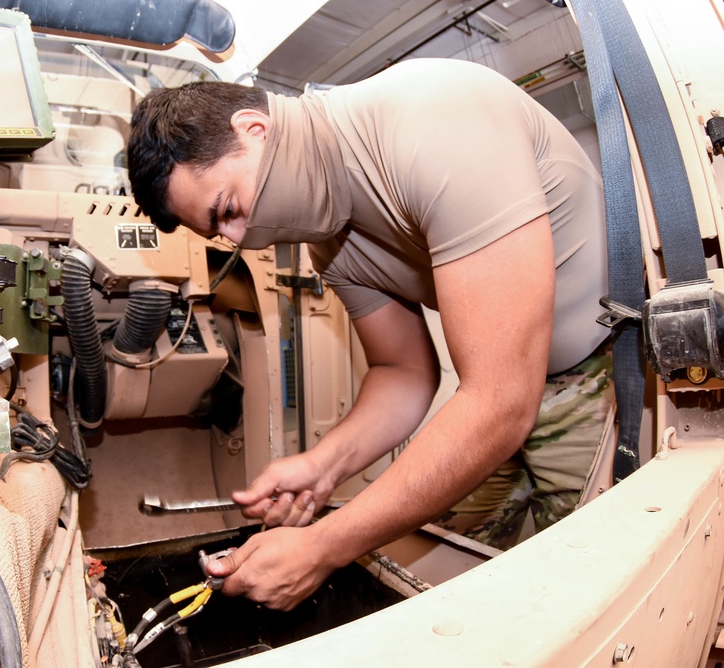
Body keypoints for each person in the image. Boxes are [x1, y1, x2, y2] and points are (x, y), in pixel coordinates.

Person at [127, 58, 613, 611]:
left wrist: (322, 547)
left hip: (601, 373)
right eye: (220, 232)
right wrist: (322, 466)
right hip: (501, 396)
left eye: (230, 210)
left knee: (589, 590)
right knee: (436, 567)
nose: (245, 239)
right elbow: (402, 372)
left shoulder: (434, 121)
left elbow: (501, 402)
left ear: (254, 129)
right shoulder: (330, 243)